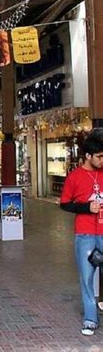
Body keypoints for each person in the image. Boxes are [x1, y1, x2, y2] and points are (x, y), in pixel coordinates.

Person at [60, 130, 103, 336]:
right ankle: (90, 318)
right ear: (88, 156)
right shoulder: (74, 177)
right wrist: (86, 208)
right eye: (100, 157)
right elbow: (65, 204)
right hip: (84, 234)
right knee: (86, 278)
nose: (102, 160)